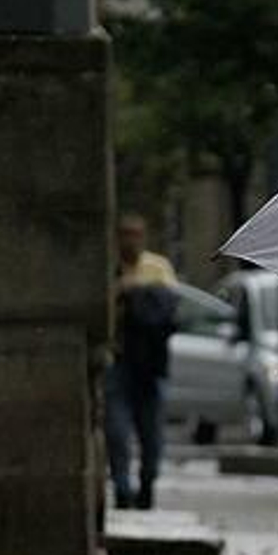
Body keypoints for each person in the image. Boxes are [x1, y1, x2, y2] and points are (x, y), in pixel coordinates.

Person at [107, 213, 178, 510]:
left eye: (136, 234)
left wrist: (133, 292)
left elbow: (167, 310)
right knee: (117, 432)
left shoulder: (157, 268)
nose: (130, 240)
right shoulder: (109, 269)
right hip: (119, 362)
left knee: (151, 435)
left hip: (150, 366)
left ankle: (147, 483)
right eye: (125, 234)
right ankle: (123, 489)